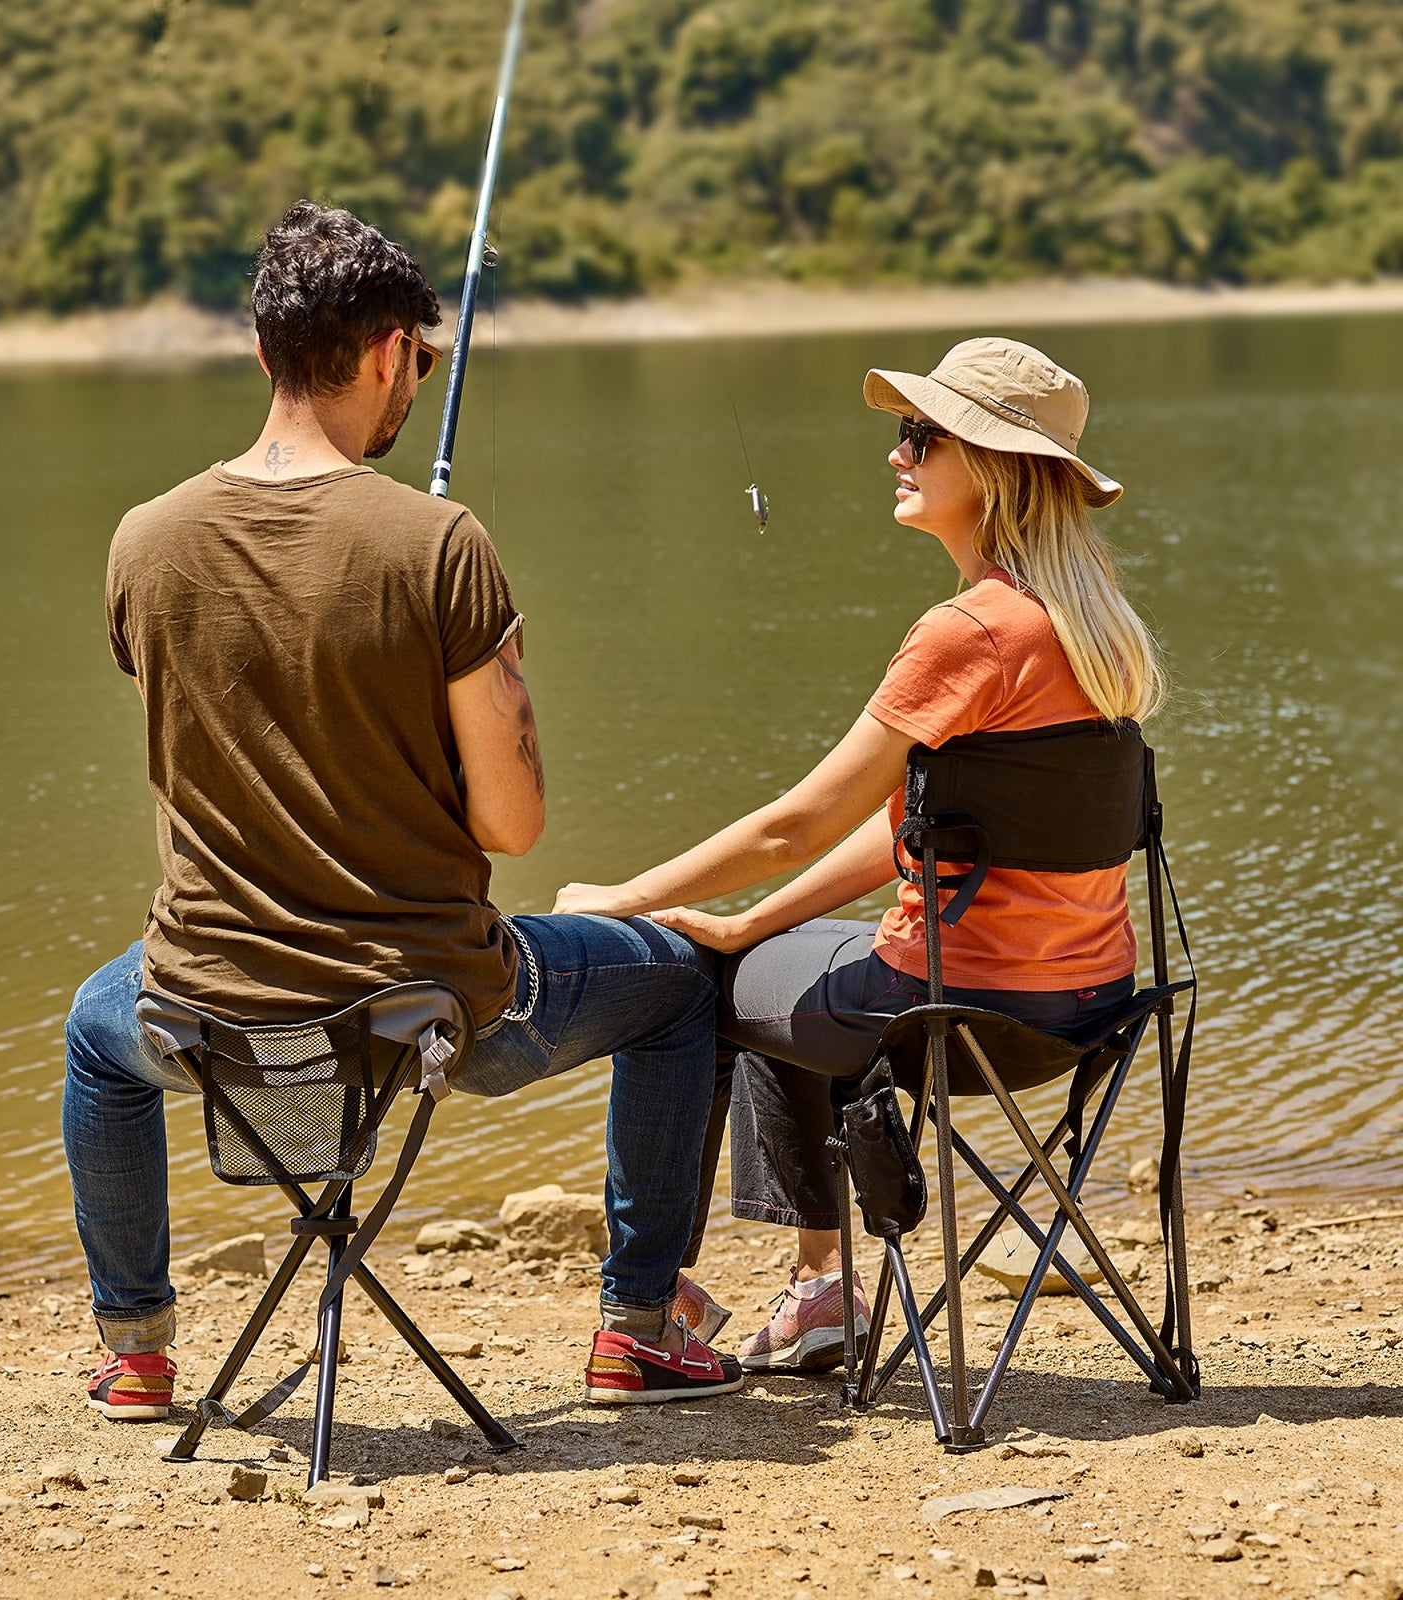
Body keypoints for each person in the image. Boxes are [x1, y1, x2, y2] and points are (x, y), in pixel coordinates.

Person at [63, 202, 742, 1425]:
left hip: (205, 1008)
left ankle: (137, 1350)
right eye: (418, 359)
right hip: (422, 1008)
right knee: (683, 986)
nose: (417, 382)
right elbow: (513, 824)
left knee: (91, 1037)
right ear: (387, 352)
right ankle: (637, 1329)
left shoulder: (142, 541)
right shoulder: (442, 544)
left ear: (263, 350)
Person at [557, 336, 1163, 1374]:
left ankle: (665, 1302)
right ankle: (816, 1291)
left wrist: (623, 898)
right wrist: (754, 920)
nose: (897, 454)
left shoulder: (969, 632)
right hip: (1086, 1011)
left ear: (991, 467)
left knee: (691, 984)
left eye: (921, 436)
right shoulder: (1097, 630)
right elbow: (923, 837)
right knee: (763, 955)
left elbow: (793, 825)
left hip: (948, 1008)